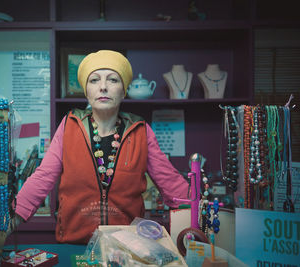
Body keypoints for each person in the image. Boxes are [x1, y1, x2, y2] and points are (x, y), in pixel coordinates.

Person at [15, 50, 189, 244]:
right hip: (75, 244)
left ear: (124, 91)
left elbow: (171, 183)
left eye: (113, 80)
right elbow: (43, 176)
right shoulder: (69, 126)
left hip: (127, 248)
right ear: (86, 90)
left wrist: (197, 215)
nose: (103, 87)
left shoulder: (140, 131)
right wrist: (11, 218)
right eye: (94, 80)